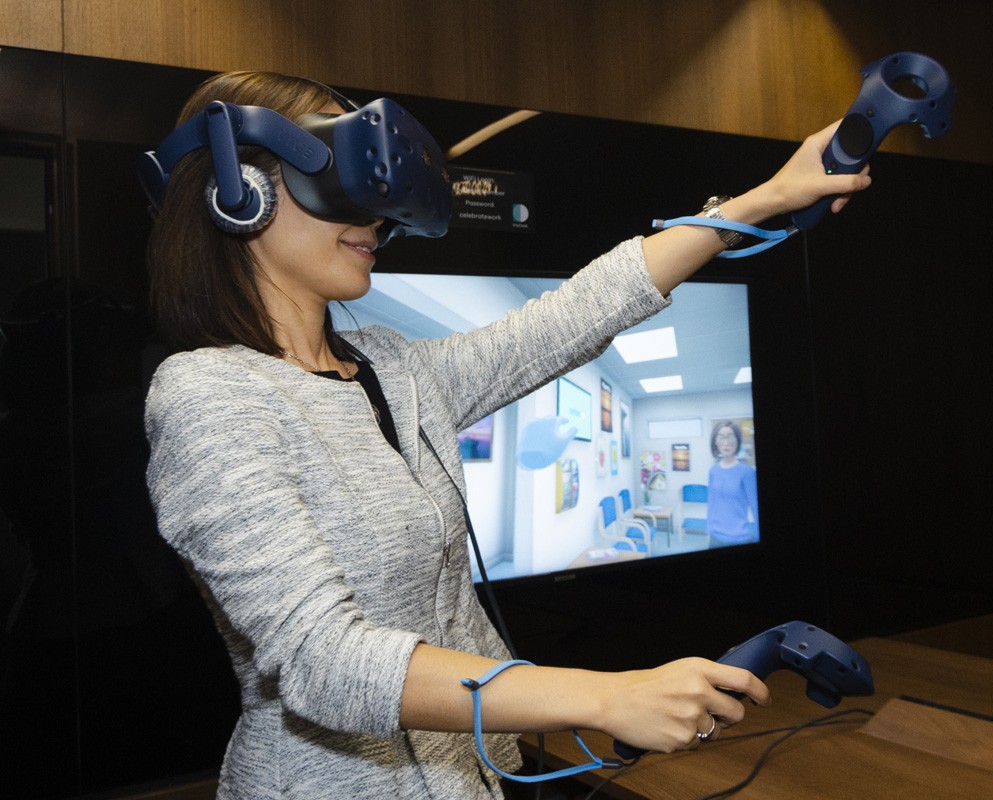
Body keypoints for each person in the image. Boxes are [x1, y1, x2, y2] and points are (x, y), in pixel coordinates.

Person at [141, 70, 870, 799]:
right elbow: (324, 660)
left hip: (468, 778)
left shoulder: (391, 368)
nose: (373, 215)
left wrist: (768, 197)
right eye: (341, 178)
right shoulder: (209, 395)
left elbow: (571, 318)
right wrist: (607, 697)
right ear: (242, 190)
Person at [704, 419, 759, 545]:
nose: (726, 443)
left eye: (730, 437)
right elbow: (712, 501)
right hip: (715, 537)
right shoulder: (713, 470)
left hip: (739, 538)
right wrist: (710, 528)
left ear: (737, 441)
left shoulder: (747, 472)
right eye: (721, 438)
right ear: (715, 442)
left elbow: (756, 506)